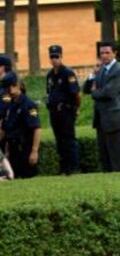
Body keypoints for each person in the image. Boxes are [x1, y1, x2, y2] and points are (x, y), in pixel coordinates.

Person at [83, 41, 120, 172]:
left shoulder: (118, 72)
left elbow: (109, 93)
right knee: (105, 157)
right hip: (100, 119)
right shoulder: (101, 70)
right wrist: (93, 74)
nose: (104, 55)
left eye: (107, 52)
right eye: (102, 53)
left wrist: (94, 91)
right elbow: (86, 89)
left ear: (114, 53)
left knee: (118, 157)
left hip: (113, 119)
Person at [46, 45, 80, 174]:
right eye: (52, 57)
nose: (54, 59)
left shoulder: (67, 73)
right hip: (54, 112)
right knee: (59, 140)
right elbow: (49, 93)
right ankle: (64, 167)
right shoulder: (50, 75)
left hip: (66, 110)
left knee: (69, 139)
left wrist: (75, 108)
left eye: (57, 57)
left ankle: (74, 168)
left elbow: (76, 94)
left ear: (61, 57)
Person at [0, 71, 40, 178]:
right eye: (8, 88)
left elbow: (36, 129)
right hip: (13, 150)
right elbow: (5, 129)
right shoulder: (9, 105)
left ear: (18, 85)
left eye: (13, 87)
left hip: (25, 149)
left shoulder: (28, 105)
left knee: (28, 179)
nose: (10, 91)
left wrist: (34, 151)